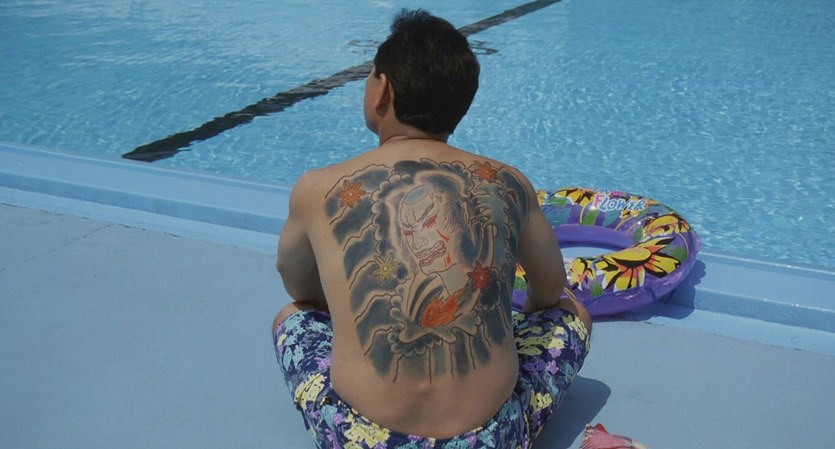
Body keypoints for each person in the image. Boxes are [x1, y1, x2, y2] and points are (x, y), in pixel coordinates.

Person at [272, 9, 592, 448]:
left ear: (383, 89)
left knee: (291, 317)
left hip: (365, 441)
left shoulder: (317, 189)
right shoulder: (509, 183)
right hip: (489, 440)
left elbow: (297, 286)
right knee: (572, 314)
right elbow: (550, 289)